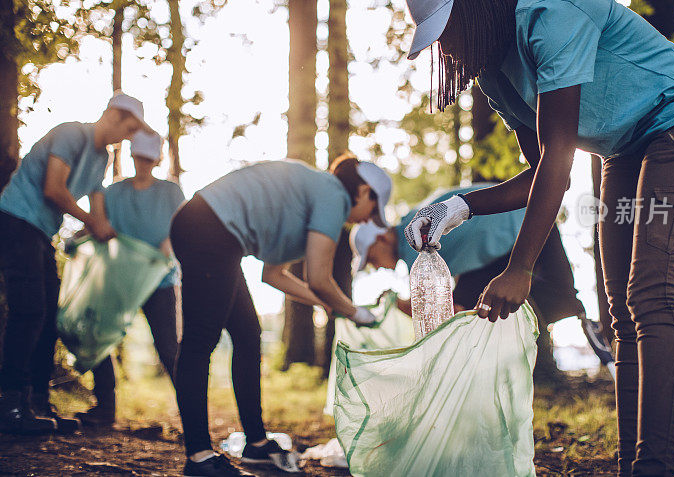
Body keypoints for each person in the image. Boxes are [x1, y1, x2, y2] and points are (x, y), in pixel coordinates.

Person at [402, 0, 674, 477]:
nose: (445, 47)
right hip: (625, 149)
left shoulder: (548, 17)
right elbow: (540, 172)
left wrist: (520, 268)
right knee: (622, 316)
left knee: (655, 290)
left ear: (476, 6)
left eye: (447, 30)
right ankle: (634, 466)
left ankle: (655, 467)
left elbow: (560, 156)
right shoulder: (495, 75)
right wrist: (461, 206)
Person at [170, 155, 391, 477]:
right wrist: (355, 312)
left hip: (212, 231)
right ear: (363, 191)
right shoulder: (334, 197)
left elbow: (274, 275)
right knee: (199, 340)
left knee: (247, 335)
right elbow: (319, 278)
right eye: (373, 209)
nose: (367, 220)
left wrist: (328, 303)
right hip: (209, 229)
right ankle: (200, 458)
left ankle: (257, 445)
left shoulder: (314, 202)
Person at [0, 92, 149, 434]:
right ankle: (10, 403)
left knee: (49, 316)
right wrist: (91, 221)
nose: (127, 137)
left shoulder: (102, 159)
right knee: (28, 311)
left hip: (41, 234)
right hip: (16, 220)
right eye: (128, 128)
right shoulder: (71, 134)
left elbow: (97, 211)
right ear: (113, 114)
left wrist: (102, 229)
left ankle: (37, 403)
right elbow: (54, 188)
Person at [350, 183, 613, 368]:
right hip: (531, 216)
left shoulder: (413, 241)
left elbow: (441, 313)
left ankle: (592, 341)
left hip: (517, 232)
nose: (378, 267)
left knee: (477, 307)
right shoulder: (416, 220)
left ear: (383, 238)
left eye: (372, 258)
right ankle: (592, 337)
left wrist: (399, 305)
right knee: (562, 295)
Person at [75, 130, 185, 426]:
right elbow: (99, 224)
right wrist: (79, 237)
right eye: (140, 157)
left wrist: (167, 246)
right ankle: (104, 409)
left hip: (158, 281)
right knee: (100, 338)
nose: (144, 163)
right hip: (118, 280)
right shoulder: (114, 192)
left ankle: (191, 413)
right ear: (134, 156)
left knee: (168, 346)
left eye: (150, 159)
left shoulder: (171, 192)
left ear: (157, 159)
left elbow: (182, 228)